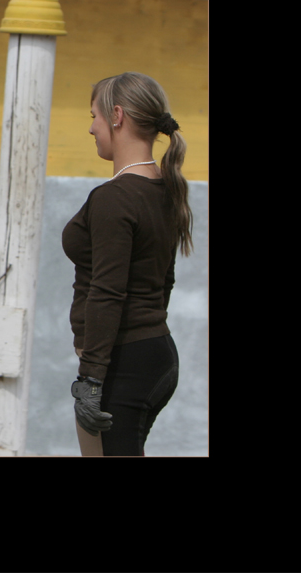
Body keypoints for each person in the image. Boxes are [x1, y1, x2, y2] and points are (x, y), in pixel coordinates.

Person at [62, 72, 194, 456]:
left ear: (117, 116)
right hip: (154, 353)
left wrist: (90, 379)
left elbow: (107, 292)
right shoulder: (164, 190)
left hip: (124, 364)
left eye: (95, 117)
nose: (91, 128)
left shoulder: (114, 197)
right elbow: (164, 282)